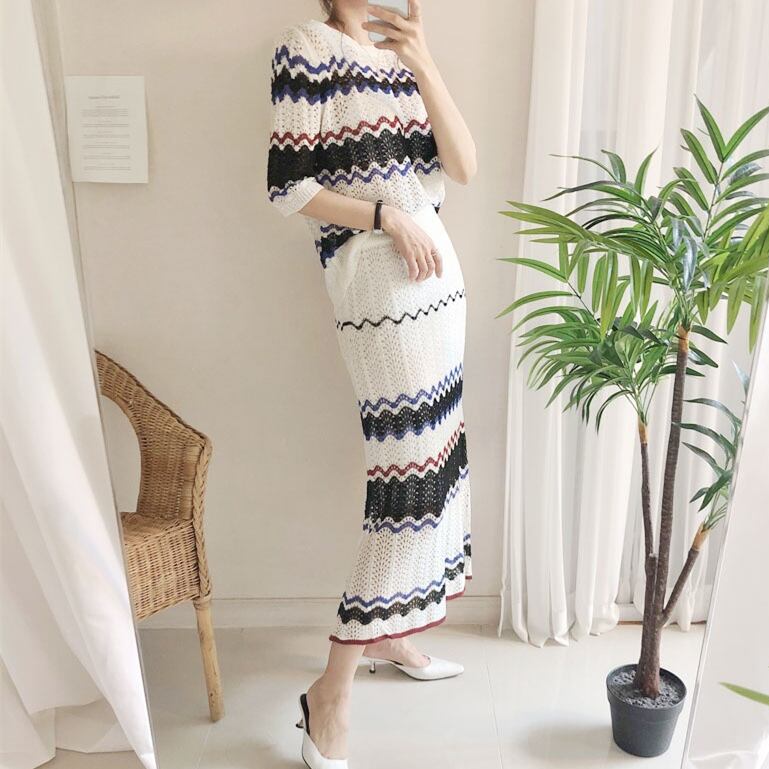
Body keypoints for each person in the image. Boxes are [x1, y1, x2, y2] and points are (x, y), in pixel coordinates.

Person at [267, 1, 477, 765]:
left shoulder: (399, 55)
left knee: (440, 464)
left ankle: (391, 632)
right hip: (379, 283)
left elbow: (463, 167)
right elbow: (288, 187)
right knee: (406, 482)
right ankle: (331, 691)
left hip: (438, 278)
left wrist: (423, 60)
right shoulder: (305, 47)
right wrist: (387, 215)